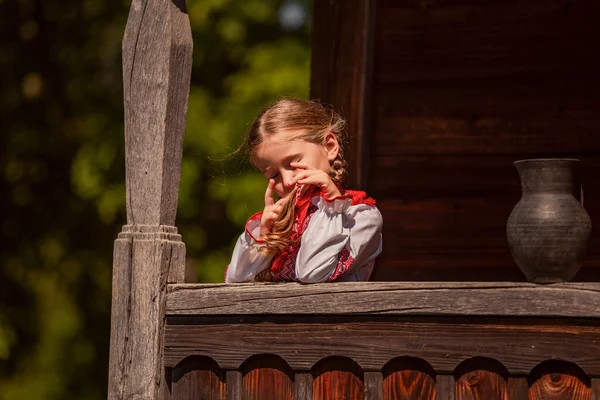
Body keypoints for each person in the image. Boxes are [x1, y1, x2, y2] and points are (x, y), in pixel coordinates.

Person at [225, 98, 383, 283]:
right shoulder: (281, 223)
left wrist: (331, 206)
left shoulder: (360, 217)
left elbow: (312, 273)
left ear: (329, 147)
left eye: (294, 163)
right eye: (273, 175)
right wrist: (265, 237)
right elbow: (235, 281)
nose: (288, 180)